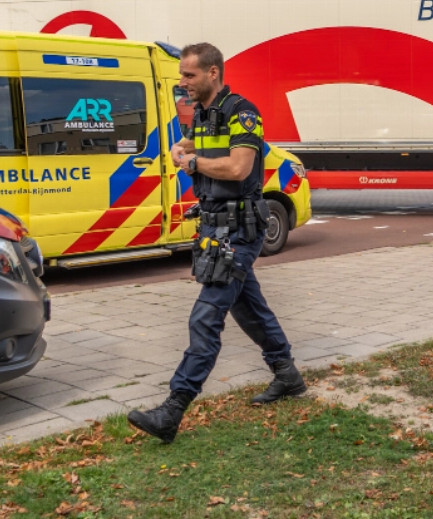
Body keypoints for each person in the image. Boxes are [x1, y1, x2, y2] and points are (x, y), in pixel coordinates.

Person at [128, 42, 305, 445]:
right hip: (215, 228)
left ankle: (173, 409)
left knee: (205, 317)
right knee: (248, 307)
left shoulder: (242, 111)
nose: (182, 83)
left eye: (189, 76)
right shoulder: (204, 115)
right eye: (181, 76)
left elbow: (239, 166)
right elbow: (198, 144)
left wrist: (192, 163)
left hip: (240, 230)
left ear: (212, 73)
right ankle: (287, 375)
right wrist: (183, 147)